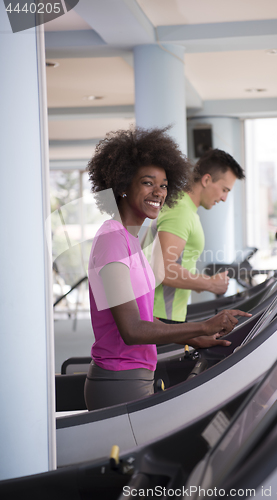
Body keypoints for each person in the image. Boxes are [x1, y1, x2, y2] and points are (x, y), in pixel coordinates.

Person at [84, 127, 251, 410]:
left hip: (135, 375)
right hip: (118, 380)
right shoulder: (112, 239)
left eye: (163, 185)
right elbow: (132, 330)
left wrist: (197, 337)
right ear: (123, 184)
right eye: (148, 183)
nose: (158, 193)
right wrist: (204, 324)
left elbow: (146, 318)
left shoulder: (130, 240)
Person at [143, 148, 246, 324]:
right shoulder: (181, 211)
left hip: (166, 313)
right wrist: (209, 284)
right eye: (224, 189)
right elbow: (163, 270)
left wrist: (200, 282)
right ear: (206, 180)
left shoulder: (185, 208)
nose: (224, 198)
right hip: (159, 316)